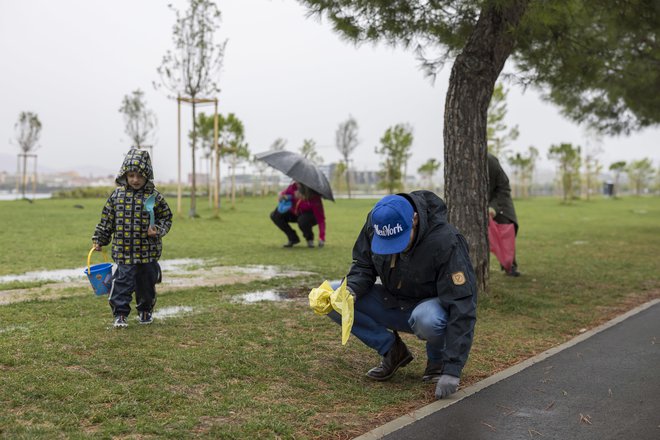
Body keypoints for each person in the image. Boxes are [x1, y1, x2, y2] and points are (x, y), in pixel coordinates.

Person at [327, 191, 477, 400]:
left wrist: (453, 369)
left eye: (400, 239)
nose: (394, 248)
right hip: (393, 302)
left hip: (429, 309)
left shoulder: (445, 241)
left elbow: (462, 303)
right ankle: (392, 350)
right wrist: (351, 290)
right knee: (334, 295)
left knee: (427, 318)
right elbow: (363, 265)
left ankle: (437, 362)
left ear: (414, 219)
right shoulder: (376, 222)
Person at [92, 149, 173, 328]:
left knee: (146, 284)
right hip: (124, 251)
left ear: (147, 175)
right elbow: (107, 221)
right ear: (125, 175)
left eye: (139, 176)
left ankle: (145, 310)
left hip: (148, 252)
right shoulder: (116, 197)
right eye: (131, 175)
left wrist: (157, 229)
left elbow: (166, 218)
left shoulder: (155, 197)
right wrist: (100, 238)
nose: (135, 180)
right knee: (122, 283)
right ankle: (120, 314)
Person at [487, 153, 520, 276]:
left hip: (501, 206)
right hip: (481, 206)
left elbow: (504, 187)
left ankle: (510, 265)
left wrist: (493, 207)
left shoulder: (490, 162)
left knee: (506, 233)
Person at [270, 181, 326, 248]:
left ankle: (309, 239)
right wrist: (282, 196)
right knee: (275, 215)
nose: (296, 183)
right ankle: (293, 238)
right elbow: (284, 194)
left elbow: (321, 219)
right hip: (295, 213)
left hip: (310, 216)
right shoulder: (293, 187)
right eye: (296, 181)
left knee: (302, 220)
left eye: (299, 183)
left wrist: (321, 238)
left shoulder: (314, 197)